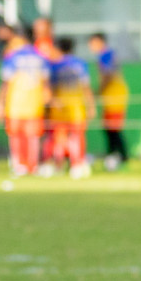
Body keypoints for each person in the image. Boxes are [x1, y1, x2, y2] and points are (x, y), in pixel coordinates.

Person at [0, 32, 51, 178]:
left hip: (15, 105)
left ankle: (19, 165)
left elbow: (5, 83)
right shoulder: (40, 57)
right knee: (33, 137)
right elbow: (46, 82)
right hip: (34, 105)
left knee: (16, 137)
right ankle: (33, 165)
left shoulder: (13, 57)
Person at [48, 36, 95, 178]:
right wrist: (91, 106)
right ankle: (77, 165)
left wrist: (52, 102)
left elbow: (49, 87)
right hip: (77, 107)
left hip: (59, 108)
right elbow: (86, 87)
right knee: (77, 137)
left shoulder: (54, 65)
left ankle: (59, 166)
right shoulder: (80, 64)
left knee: (59, 138)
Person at [88, 33, 130, 169]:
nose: (91, 47)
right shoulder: (107, 55)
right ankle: (114, 155)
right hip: (111, 96)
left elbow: (108, 75)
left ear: (100, 42)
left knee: (113, 128)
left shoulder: (105, 55)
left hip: (115, 95)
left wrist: (97, 92)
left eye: (93, 43)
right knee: (110, 127)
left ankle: (120, 156)